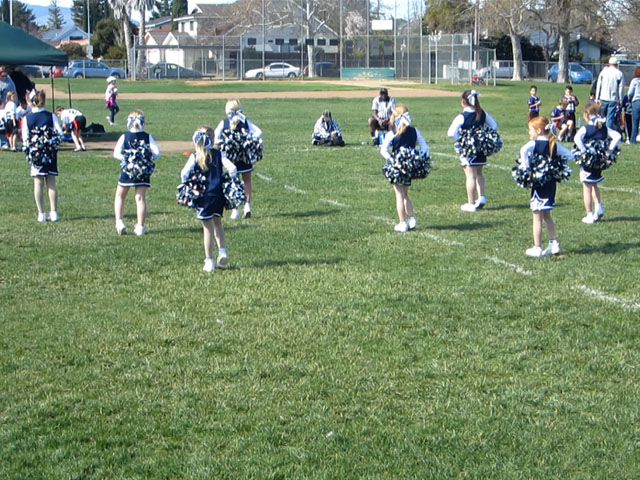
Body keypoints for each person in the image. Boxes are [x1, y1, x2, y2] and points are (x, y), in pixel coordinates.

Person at [180, 127, 238, 272]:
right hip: (218, 195)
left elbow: (184, 174)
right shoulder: (218, 154)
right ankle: (222, 252)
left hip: (203, 197)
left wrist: (188, 186)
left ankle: (209, 260)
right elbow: (232, 168)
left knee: (207, 229)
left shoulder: (195, 156)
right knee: (218, 223)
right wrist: (230, 181)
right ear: (211, 139)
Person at [515, 115, 574, 257]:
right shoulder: (553, 144)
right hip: (551, 184)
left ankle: (537, 247)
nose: (529, 133)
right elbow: (570, 156)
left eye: (530, 129)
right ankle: (554, 244)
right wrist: (556, 164)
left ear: (539, 130)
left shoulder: (534, 144)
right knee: (547, 213)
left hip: (538, 184)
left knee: (536, 215)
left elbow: (523, 151)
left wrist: (525, 167)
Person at [447, 89, 500, 212]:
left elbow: (451, 133)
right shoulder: (482, 113)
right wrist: (482, 135)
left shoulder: (462, 116)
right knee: (479, 173)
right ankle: (481, 197)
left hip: (468, 150)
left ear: (463, 101)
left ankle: (471, 203)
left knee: (470, 175)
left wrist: (462, 140)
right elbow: (494, 125)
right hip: (480, 149)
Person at [380, 104, 430, 232]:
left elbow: (383, 150)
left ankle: (402, 223)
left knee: (399, 195)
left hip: (397, 168)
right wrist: (416, 159)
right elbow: (425, 148)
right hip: (409, 168)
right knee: (405, 194)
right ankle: (412, 219)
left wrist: (392, 160)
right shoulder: (414, 131)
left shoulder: (392, 134)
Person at [113, 110, 161, 236]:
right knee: (140, 198)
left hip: (128, 171)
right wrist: (144, 160)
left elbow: (116, 153)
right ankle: (140, 227)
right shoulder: (147, 137)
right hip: (143, 171)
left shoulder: (125, 136)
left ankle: (119, 222)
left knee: (120, 196)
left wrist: (128, 160)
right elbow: (157, 153)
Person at [573, 103, 622, 224]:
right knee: (594, 184)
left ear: (586, 115)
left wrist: (583, 151)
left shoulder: (586, 129)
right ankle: (599, 207)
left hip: (588, 162)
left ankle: (589, 214)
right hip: (599, 162)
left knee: (587, 187)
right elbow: (617, 136)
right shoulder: (604, 128)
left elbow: (576, 139)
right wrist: (609, 150)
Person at [214, 98, 263, 220]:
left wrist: (225, 142)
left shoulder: (224, 123)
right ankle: (247, 206)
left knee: (233, 183)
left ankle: (235, 210)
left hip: (231, 158)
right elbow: (259, 132)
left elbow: (215, 138)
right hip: (245, 156)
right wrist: (247, 140)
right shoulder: (244, 121)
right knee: (247, 181)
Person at [21, 90, 63, 222]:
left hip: (36, 154)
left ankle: (41, 214)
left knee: (38, 183)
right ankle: (54, 213)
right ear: (43, 101)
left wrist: (34, 146)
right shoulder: (51, 116)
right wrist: (49, 143)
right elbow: (60, 133)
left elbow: (25, 139)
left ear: (30, 102)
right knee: (51, 182)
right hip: (50, 154)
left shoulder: (27, 118)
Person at [595, 57, 625, 130]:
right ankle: (608, 133)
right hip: (613, 99)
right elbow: (621, 89)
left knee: (602, 117)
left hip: (603, 98)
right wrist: (621, 100)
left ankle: (601, 132)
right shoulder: (619, 74)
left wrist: (597, 98)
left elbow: (598, 86)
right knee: (610, 118)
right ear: (616, 64)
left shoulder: (603, 72)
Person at [627, 67, 640, 144]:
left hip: (636, 101)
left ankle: (633, 140)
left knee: (635, 122)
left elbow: (630, 93)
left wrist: (629, 98)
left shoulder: (634, 81)